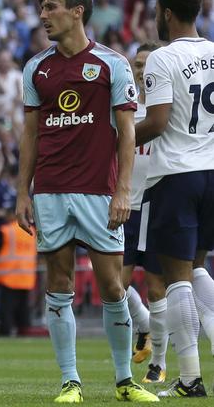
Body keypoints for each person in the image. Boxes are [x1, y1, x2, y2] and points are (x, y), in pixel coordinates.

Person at [15, 0, 158, 403]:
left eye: (51, 8)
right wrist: (23, 192)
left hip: (99, 190)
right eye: (41, 8)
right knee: (58, 283)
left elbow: (127, 133)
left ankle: (124, 381)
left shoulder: (111, 64)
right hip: (52, 191)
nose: (44, 16)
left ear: (77, 12)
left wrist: (122, 190)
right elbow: (30, 135)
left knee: (113, 287)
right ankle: (70, 381)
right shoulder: (35, 68)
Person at [135, 0, 214, 398]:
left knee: (176, 276)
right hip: (212, 172)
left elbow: (158, 121)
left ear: (166, 12)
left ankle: (189, 378)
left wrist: (115, 138)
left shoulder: (164, 58)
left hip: (177, 174)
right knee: (198, 268)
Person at [121, 43, 168, 384]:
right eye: (137, 64)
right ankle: (144, 324)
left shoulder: (165, 106)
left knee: (156, 288)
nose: (140, 69)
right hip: (123, 204)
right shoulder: (125, 104)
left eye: (146, 64)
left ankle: (159, 363)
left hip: (154, 202)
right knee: (114, 285)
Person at [0, 206, 37, 337]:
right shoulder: (31, 231)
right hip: (26, 277)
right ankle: (25, 332)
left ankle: (4, 333)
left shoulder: (6, 231)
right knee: (23, 310)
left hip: (9, 277)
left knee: (6, 310)